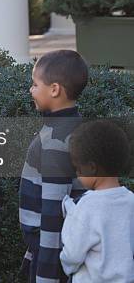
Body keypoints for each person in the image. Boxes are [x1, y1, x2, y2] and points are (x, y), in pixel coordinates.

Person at [19, 50, 89, 282]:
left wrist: (45, 273)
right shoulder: (80, 129)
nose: (31, 90)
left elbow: (53, 212)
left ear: (55, 89)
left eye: (35, 84)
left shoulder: (55, 142)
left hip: (52, 251)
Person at [60, 120, 134, 282]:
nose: (77, 176)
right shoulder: (130, 201)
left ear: (91, 168)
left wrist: (66, 266)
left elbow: (72, 254)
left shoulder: (87, 206)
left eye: (78, 169)